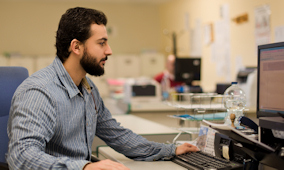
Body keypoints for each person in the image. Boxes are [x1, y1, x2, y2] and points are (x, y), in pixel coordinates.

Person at [7, 7, 198, 170]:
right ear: (76, 47)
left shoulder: (89, 90)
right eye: (101, 43)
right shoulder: (40, 92)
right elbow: (21, 156)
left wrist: (170, 150)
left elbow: (118, 136)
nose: (109, 51)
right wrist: (85, 167)